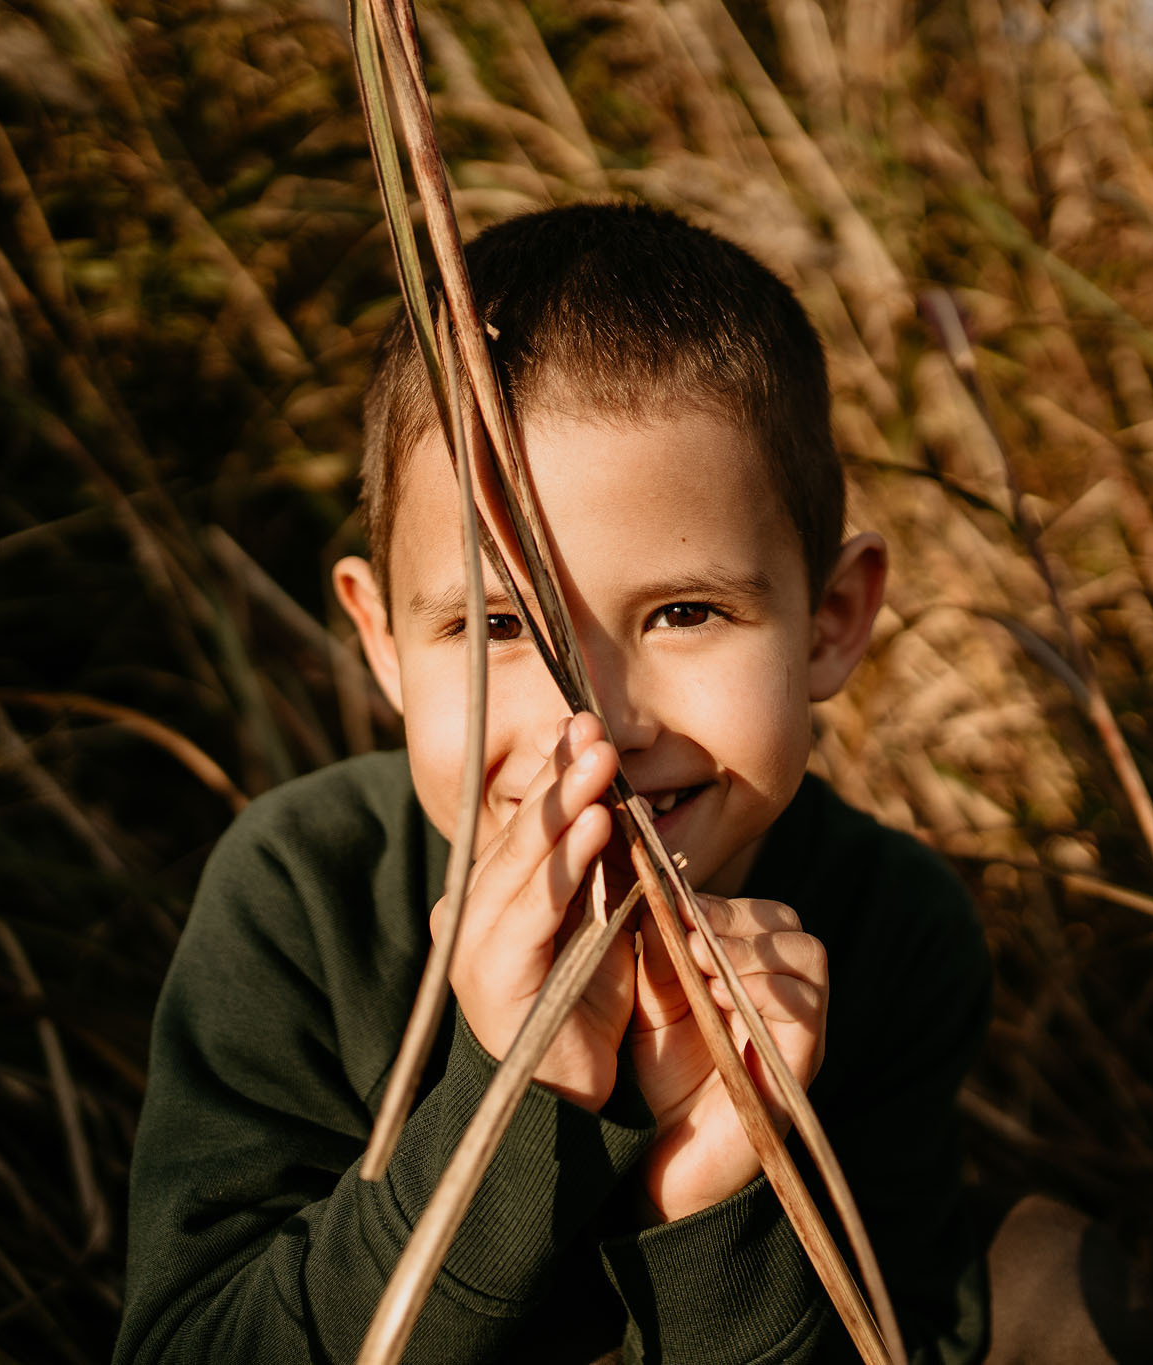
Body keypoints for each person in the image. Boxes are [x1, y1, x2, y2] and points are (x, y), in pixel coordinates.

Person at [114, 202, 1002, 1364]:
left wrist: (718, 1199)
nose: (593, 724)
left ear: (829, 623)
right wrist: (505, 1106)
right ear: (380, 643)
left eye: (685, 613)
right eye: (490, 626)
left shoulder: (888, 926)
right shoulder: (304, 892)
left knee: (1047, 1289)